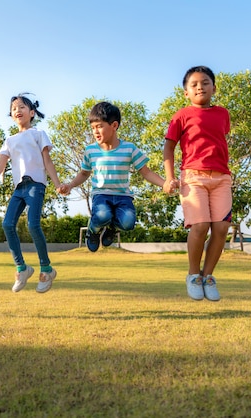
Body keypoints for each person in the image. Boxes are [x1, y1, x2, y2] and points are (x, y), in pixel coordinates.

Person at [163, 65, 232, 302]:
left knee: (221, 228)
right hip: (193, 177)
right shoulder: (181, 115)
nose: (200, 87)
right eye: (194, 84)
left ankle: (208, 276)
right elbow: (169, 147)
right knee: (200, 226)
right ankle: (193, 275)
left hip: (222, 177)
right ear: (186, 92)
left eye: (205, 82)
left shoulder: (223, 114)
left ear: (213, 87)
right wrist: (169, 177)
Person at [59, 101, 167, 252]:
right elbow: (84, 173)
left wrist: (164, 183)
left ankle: (111, 229)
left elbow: (146, 172)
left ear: (114, 125)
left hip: (123, 196)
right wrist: (70, 185)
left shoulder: (129, 148)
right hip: (101, 194)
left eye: (99, 126)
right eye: (93, 128)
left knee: (128, 223)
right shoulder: (90, 151)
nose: (95, 132)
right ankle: (93, 231)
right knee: (102, 215)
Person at [0, 93, 62, 293]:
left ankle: (46, 269)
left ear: (32, 112)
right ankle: (22, 268)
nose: (17, 110)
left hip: (36, 185)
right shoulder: (9, 140)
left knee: (33, 224)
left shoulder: (38, 134)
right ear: (11, 115)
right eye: (14, 108)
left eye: (22, 107)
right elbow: (0, 164)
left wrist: (58, 183)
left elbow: (47, 161)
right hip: (19, 188)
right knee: (7, 224)